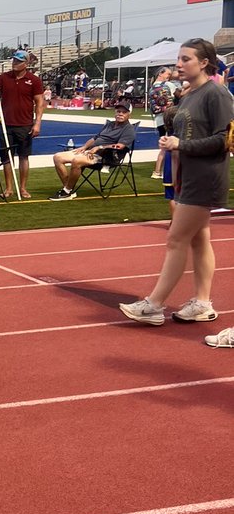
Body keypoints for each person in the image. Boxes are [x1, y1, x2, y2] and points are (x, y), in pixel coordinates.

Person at [120, 39, 234, 326]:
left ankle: (154, 305)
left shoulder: (216, 94)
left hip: (205, 175)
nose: (178, 65)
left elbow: (225, 139)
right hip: (188, 174)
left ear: (204, 63)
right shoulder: (190, 95)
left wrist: (181, 144)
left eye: (185, 59)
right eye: (178, 59)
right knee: (199, 239)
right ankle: (202, 302)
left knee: (175, 239)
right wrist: (174, 144)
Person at [0, 51, 44, 199]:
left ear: (26, 64)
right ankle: (9, 188)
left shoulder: (34, 80)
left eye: (18, 61)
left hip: (25, 124)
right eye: (14, 61)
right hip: (6, 124)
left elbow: (39, 103)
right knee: (6, 158)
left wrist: (37, 123)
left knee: (24, 157)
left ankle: (23, 188)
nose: (15, 63)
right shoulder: (4, 78)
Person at [49, 103, 137, 200]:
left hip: (106, 157)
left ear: (129, 114)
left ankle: (67, 191)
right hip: (90, 152)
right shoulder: (109, 124)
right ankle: (68, 189)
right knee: (57, 157)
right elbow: (95, 138)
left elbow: (119, 146)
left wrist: (99, 147)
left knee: (77, 160)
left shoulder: (129, 129)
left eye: (124, 112)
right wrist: (84, 147)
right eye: (118, 111)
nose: (120, 114)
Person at [148, 67, 176, 180]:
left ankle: (158, 171)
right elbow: (180, 94)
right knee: (172, 145)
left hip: (159, 119)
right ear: (161, 73)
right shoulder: (168, 85)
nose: (169, 76)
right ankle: (162, 171)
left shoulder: (151, 88)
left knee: (164, 145)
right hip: (170, 118)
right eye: (168, 74)